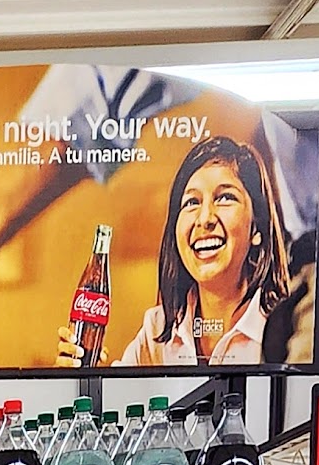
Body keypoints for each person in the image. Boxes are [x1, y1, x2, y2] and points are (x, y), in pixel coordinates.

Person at [59, 136, 290, 367]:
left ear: (257, 228)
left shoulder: (289, 324)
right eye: (191, 202)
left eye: (224, 198)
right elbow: (115, 390)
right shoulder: (157, 329)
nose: (205, 219)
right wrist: (74, 376)